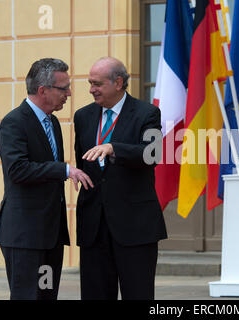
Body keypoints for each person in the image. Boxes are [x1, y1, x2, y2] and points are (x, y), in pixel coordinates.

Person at [0, 58, 93, 300]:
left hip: (50, 234)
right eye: (63, 88)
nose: (69, 93)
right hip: (25, 236)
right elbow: (17, 170)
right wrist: (64, 170)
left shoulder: (53, 122)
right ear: (42, 90)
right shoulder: (14, 122)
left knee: (47, 295)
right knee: (28, 296)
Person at [74, 57, 167, 300]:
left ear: (118, 83)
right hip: (94, 226)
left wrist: (114, 148)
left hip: (135, 226)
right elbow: (82, 160)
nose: (91, 89)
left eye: (97, 83)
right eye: (90, 83)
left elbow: (153, 154)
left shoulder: (147, 113)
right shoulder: (82, 116)